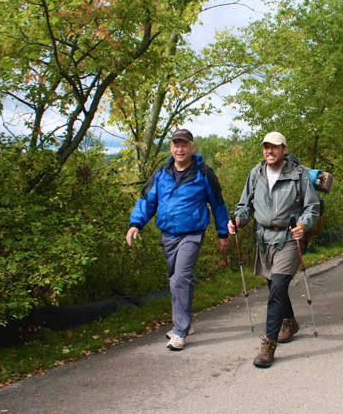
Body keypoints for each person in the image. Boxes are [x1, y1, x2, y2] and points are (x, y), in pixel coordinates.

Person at [125, 128, 230, 351]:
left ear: (192, 148)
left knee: (179, 279)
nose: (180, 148)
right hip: (168, 235)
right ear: (171, 147)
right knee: (178, 277)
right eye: (176, 144)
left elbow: (218, 204)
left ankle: (180, 331)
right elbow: (147, 201)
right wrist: (136, 224)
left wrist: (223, 234)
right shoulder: (161, 173)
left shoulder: (203, 173)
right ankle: (186, 321)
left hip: (192, 234)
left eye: (184, 144)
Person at [227, 131, 320, 368]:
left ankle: (268, 345)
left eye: (275, 147)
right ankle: (290, 321)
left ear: (284, 150)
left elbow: (312, 207)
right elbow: (244, 206)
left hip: (288, 238)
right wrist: (238, 220)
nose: (270, 151)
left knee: (278, 287)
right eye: (266, 147)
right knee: (274, 287)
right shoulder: (255, 174)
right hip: (263, 238)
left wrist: (303, 225)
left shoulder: (297, 175)